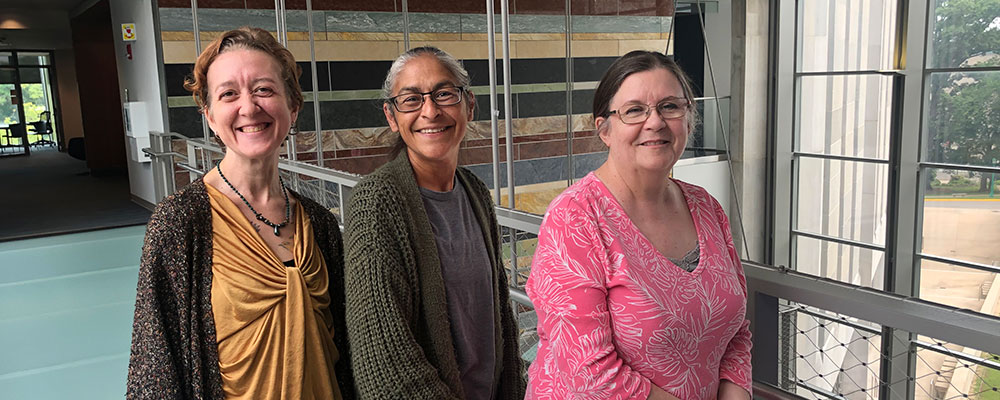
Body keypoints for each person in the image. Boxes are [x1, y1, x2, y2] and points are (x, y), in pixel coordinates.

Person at [126, 26, 353, 400]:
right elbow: (155, 370)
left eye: (264, 89)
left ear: (293, 107)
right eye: (228, 93)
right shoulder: (180, 223)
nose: (248, 107)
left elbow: (346, 347)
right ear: (210, 116)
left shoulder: (320, 224)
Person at [525, 50, 753, 400]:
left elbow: (736, 329)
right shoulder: (574, 219)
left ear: (688, 118)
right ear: (604, 129)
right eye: (634, 110)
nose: (655, 122)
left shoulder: (707, 207)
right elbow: (589, 373)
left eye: (670, 106)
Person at [343, 46, 525, 399]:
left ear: (469, 105)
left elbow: (499, 316)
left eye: (444, 94)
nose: (430, 111)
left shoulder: (473, 191)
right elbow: (383, 366)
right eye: (411, 100)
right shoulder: (377, 202)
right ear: (392, 116)